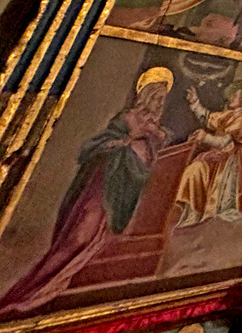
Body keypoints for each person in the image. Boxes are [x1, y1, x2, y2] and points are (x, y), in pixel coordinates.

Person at [0, 68, 173, 318]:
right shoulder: (128, 118)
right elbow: (94, 147)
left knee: (97, 240)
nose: (159, 104)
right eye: (156, 98)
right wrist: (125, 143)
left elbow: (155, 152)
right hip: (100, 187)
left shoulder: (156, 128)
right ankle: (31, 293)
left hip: (122, 192)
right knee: (79, 236)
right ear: (146, 96)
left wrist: (152, 139)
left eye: (162, 100)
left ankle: (49, 291)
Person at [174, 85, 242, 227]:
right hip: (216, 155)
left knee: (200, 170)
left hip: (231, 159)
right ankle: (192, 212)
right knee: (194, 169)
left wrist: (205, 137)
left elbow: (224, 141)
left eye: (236, 95)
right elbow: (208, 118)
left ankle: (206, 211)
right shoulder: (227, 114)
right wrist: (195, 101)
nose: (232, 97)